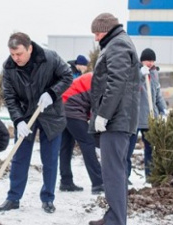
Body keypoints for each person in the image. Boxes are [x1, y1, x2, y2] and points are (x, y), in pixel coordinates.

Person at [0, 32, 72, 214]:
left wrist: (52, 94)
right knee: (19, 157)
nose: (16, 59)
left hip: (51, 114)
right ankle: (13, 197)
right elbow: (9, 96)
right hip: (26, 114)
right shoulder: (9, 67)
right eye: (12, 55)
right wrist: (18, 120)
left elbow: (67, 76)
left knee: (50, 159)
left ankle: (48, 198)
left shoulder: (50, 58)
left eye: (19, 54)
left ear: (29, 48)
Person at [88, 13, 140, 225]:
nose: (96, 38)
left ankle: (116, 220)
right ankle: (113, 216)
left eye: (98, 33)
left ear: (107, 30)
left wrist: (103, 114)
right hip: (118, 119)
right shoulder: (117, 43)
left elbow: (116, 82)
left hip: (116, 120)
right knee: (112, 171)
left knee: (114, 172)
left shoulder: (118, 45)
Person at [126, 48, 167, 183]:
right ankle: (124, 176)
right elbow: (130, 88)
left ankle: (150, 176)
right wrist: (139, 76)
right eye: (147, 60)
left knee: (151, 150)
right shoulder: (134, 72)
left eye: (152, 60)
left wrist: (163, 110)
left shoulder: (154, 74)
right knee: (128, 149)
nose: (150, 63)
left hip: (150, 118)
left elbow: (157, 95)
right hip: (135, 118)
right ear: (141, 60)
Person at [60, 72, 104, 194]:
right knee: (88, 142)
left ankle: (66, 181)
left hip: (62, 105)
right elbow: (96, 110)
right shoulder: (101, 81)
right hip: (72, 108)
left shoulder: (96, 76)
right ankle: (98, 183)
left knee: (66, 146)